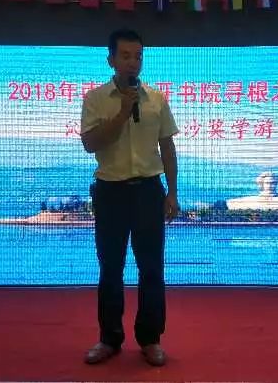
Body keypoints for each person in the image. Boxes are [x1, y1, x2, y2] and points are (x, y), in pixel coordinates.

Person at [80, 28, 179, 367]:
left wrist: (172, 193)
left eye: (138, 56)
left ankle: (150, 339)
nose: (133, 62)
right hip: (111, 192)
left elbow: (167, 147)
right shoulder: (95, 99)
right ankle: (109, 338)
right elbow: (91, 144)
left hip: (149, 190)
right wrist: (122, 113)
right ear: (110, 60)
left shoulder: (156, 99)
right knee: (111, 268)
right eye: (125, 56)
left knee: (151, 268)